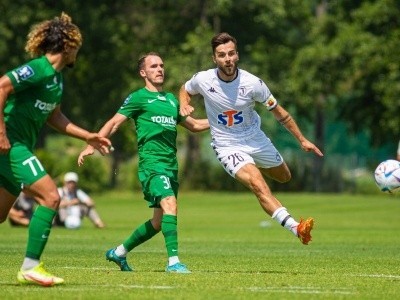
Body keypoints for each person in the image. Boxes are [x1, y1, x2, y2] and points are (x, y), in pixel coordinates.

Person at [179, 32, 324, 246]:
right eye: (221, 55)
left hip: (255, 138)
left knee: (284, 176)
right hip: (227, 145)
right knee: (258, 184)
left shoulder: (253, 83)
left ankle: (253, 164)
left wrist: (302, 139)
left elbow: (281, 113)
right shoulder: (203, 79)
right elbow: (185, 89)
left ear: (237, 55)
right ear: (214, 59)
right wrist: (183, 103)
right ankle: (296, 228)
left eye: (230, 53)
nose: (227, 59)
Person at [0, 13, 112, 287]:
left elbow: (55, 117)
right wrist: (1, 133)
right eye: (77, 48)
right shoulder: (39, 68)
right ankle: (30, 266)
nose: (78, 54)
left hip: (18, 146)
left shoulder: (57, 80)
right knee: (51, 196)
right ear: (69, 45)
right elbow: (1, 86)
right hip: (10, 145)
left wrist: (89, 136)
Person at [78, 52, 209, 274]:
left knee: (158, 222)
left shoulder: (170, 100)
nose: (160, 69)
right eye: (154, 66)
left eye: (161, 65)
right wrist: (93, 143)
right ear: (143, 72)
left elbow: (195, 125)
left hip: (170, 166)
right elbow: (115, 122)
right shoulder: (138, 98)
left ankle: (118, 252)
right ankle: (173, 262)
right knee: (170, 204)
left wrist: (224, 121)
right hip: (152, 164)